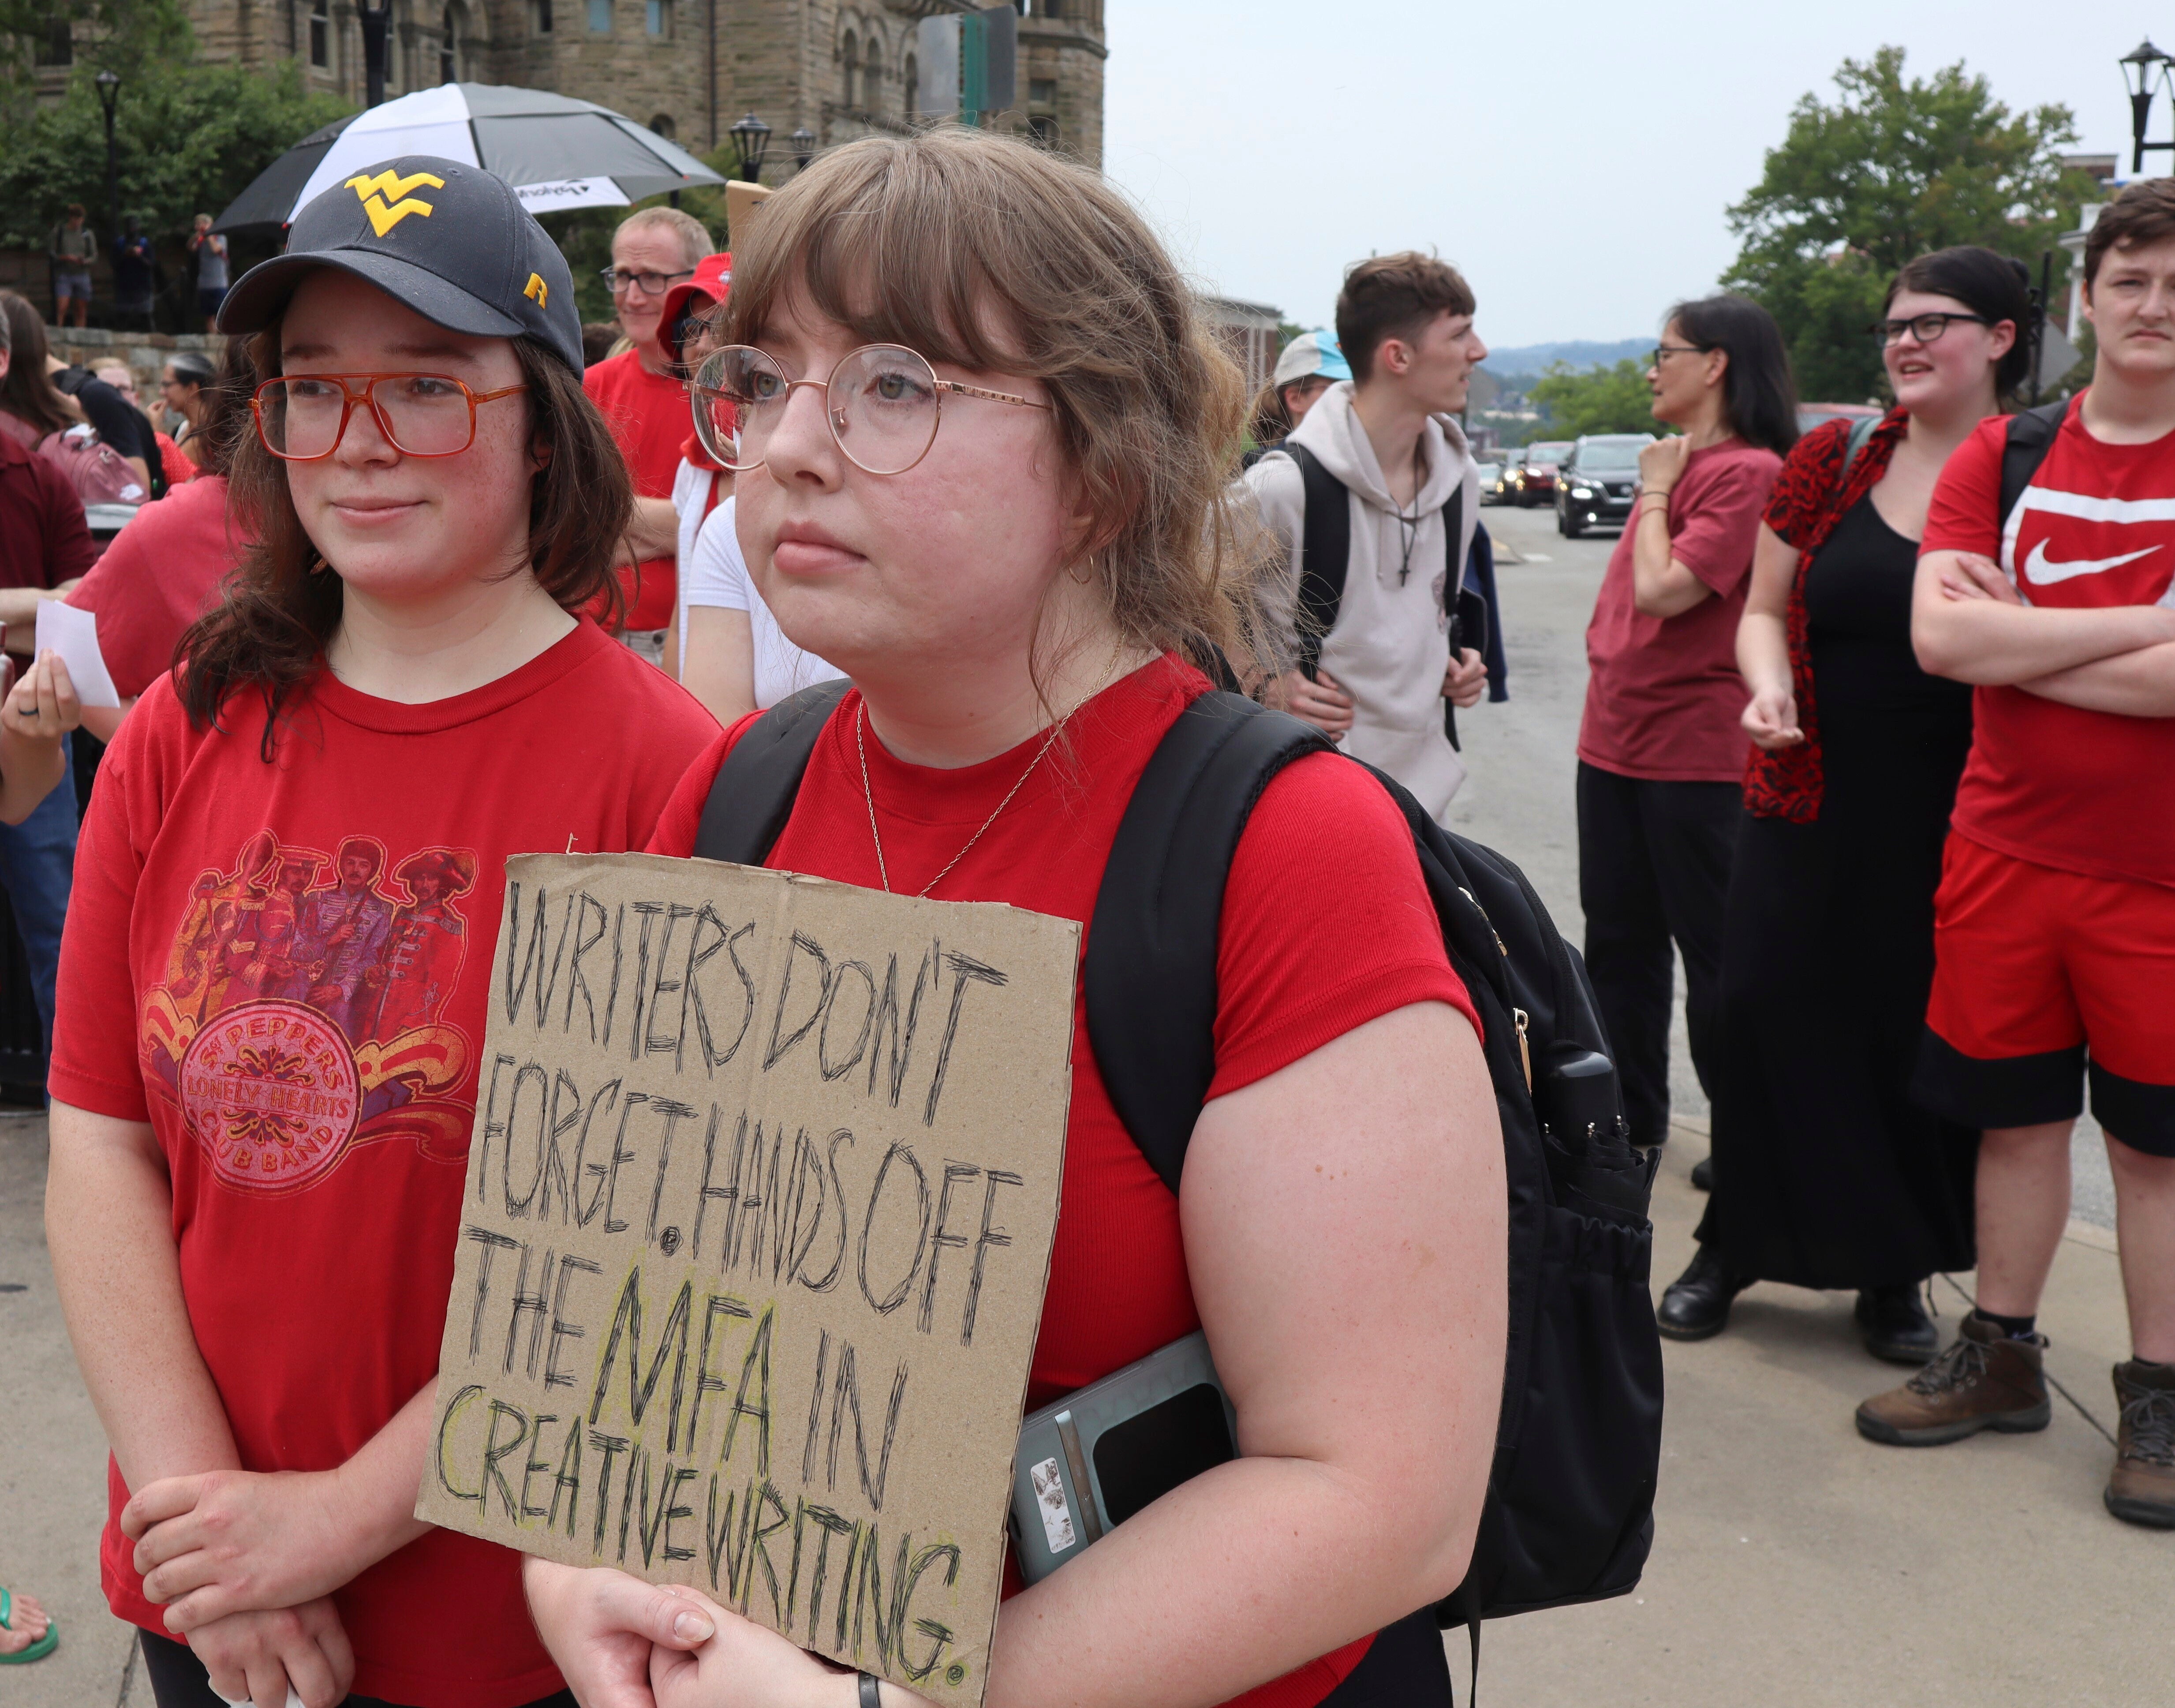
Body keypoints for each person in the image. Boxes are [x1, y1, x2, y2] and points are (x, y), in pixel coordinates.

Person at [523, 126, 1507, 1708]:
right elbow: (624, 1328)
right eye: (763, 380)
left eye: (894, 385)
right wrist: (578, 1567)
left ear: (1104, 472)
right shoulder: (734, 799)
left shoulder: (1287, 853)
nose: (783, 448)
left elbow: (1377, 1499)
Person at [44, 155, 719, 1708]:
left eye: (426, 387)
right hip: (203, 1582)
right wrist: (208, 1531)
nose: (359, 445)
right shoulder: (188, 725)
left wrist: (330, 1528)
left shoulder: (669, 774)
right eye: (313, 388)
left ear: (540, 422)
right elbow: (97, 1138)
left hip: (510, 1633)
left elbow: (635, 1258)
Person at [1854, 179, 2175, 1530]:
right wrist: (2133, 627)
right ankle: (2001, 1354)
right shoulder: (2012, 455)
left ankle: (2160, 1397)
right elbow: (1944, 643)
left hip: (2159, 878)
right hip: (2001, 853)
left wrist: (2029, 629)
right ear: (2089, 297)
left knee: (2157, 1153)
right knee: (2015, 1121)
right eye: (2132, 280)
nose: (2156, 308)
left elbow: (2002, 644)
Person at [1659, 249, 2030, 1352]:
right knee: (1761, 1008)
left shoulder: (2026, 471)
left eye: (1933, 324)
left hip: (1957, 812)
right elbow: (1761, 608)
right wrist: (1765, 684)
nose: (1905, 341)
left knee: (1907, 1031)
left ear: (2001, 339)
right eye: (1894, 326)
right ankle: (1732, 1244)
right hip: (1804, 793)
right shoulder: (1840, 455)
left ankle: (1891, 1271)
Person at [1575, 295, 1795, 1156]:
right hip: (1615, 738)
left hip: (1693, 753)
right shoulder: (1679, 459)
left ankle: (1750, 1144)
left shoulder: (1747, 472)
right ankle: (1630, 1130)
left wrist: (1661, 490)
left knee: (1714, 957)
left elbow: (1667, 591)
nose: (1651, 368)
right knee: (1618, 948)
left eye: (1665, 352)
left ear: (1717, 364)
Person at [1245, 254, 1492, 820]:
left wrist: (1455, 662)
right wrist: (1261, 682)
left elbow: (1423, 615)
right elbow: (1177, 614)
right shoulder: (1283, 487)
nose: (1477, 351)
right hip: (1307, 802)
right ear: (1397, 356)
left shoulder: (1462, 483)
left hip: (1426, 813)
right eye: (1459, 334)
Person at [67, 338, 258, 742]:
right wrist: (180, 774)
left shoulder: (169, 441)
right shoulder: (183, 478)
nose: (162, 392)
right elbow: (71, 657)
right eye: (311, 388)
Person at [0, 299, 97, 1054]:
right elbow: (58, 603)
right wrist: (31, 607)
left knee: (60, 927)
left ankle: (77, 1119)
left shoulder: (38, 478)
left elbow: (85, 607)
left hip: (33, 729)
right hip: (33, 701)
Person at [583, 205, 711, 664]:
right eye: (622, 276)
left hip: (688, 644)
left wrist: (614, 520)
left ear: (694, 284)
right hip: (590, 633)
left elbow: (733, 529)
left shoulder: (726, 392)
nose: (632, 296)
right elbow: (568, 518)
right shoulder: (591, 385)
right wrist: (680, 525)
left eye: (652, 278)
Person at [657, 251, 733, 678]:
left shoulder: (799, 465)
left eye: (723, 328)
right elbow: (681, 619)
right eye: (691, 330)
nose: (703, 345)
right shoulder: (696, 465)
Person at [1245, 327, 1350, 461]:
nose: (1353, 397)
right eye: (1339, 387)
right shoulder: (1263, 472)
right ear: (1295, 399)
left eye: (1358, 387)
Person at [98, 360, 195, 490]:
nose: (116, 395)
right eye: (105, 389)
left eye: (123, 388)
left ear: (136, 398)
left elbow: (191, 491)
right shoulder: (77, 444)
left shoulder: (160, 442)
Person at [162, 351, 219, 471]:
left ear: (193, 388)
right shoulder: (181, 429)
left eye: (167, 385)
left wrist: (158, 434)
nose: (162, 392)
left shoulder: (207, 436)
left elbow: (173, 473)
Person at [50, 205, 96, 330]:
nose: (78, 222)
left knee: (81, 308)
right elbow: (52, 254)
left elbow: (94, 256)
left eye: (80, 219)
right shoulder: (59, 232)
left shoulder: (87, 234)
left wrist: (85, 261)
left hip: (82, 273)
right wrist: (66, 257)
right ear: (71, 218)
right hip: (64, 274)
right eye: (75, 219)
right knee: (62, 307)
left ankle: (81, 333)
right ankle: (58, 330)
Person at [113, 216, 160, 333]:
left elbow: (151, 264)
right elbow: (114, 264)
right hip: (124, 285)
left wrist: (139, 257)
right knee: (122, 317)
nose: (132, 228)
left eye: (134, 225)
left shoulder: (145, 243)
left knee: (146, 316)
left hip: (143, 285)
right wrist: (126, 255)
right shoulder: (119, 243)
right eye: (129, 225)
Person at [187, 215, 230, 333]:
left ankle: (224, 336)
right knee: (208, 314)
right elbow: (191, 248)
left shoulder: (220, 237)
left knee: (221, 312)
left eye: (202, 224)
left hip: (219, 282)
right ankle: (213, 337)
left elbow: (217, 250)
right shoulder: (201, 240)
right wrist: (197, 237)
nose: (199, 227)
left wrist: (209, 236)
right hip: (204, 283)